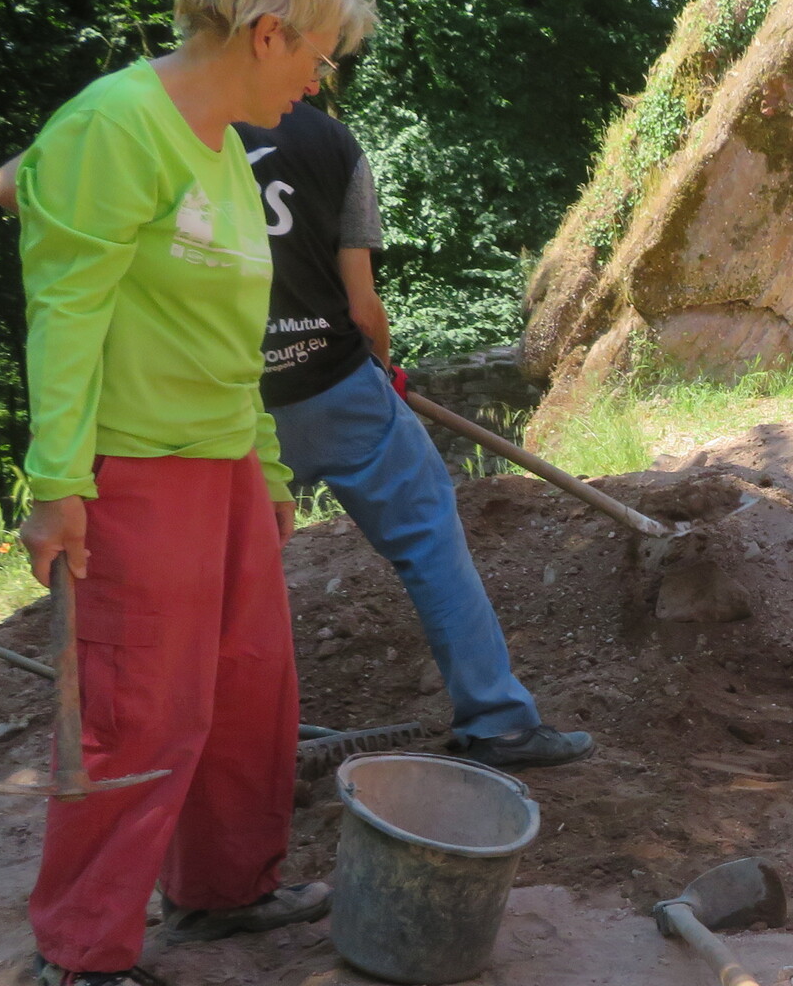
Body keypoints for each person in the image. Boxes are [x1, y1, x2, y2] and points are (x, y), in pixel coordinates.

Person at [8, 0, 360, 986]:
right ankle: (80, 954)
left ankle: (223, 889)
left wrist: (267, 465)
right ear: (267, 34)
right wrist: (56, 483)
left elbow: (232, 332)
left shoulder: (224, 149)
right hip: (131, 470)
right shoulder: (114, 128)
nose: (320, 82)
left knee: (253, 693)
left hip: (222, 466)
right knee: (137, 712)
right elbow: (66, 314)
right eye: (320, 56)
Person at [236, 102, 590, 769]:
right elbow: (362, 304)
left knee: (233, 578)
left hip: (230, 406)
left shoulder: (179, 126)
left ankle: (236, 748)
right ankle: (499, 723)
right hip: (340, 389)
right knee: (430, 543)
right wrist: (381, 371)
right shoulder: (330, 141)